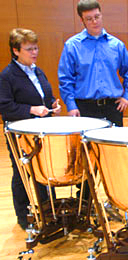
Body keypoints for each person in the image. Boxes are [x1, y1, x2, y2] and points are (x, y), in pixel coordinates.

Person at [0, 28, 61, 230]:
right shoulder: (7, 76)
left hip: (40, 130)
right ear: (16, 51)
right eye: (29, 49)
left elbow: (44, 95)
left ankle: (48, 211)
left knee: (43, 172)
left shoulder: (36, 69)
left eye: (36, 48)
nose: (34, 52)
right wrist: (32, 109)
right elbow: (5, 106)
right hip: (19, 133)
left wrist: (52, 104)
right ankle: (23, 216)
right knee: (22, 173)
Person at [58, 0, 128, 127]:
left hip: (113, 107)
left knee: (112, 145)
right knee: (86, 147)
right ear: (82, 21)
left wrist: (127, 97)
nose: (94, 22)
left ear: (101, 15)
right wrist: (71, 105)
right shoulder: (72, 46)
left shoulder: (117, 45)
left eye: (97, 17)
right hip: (84, 108)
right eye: (89, 19)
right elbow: (65, 80)